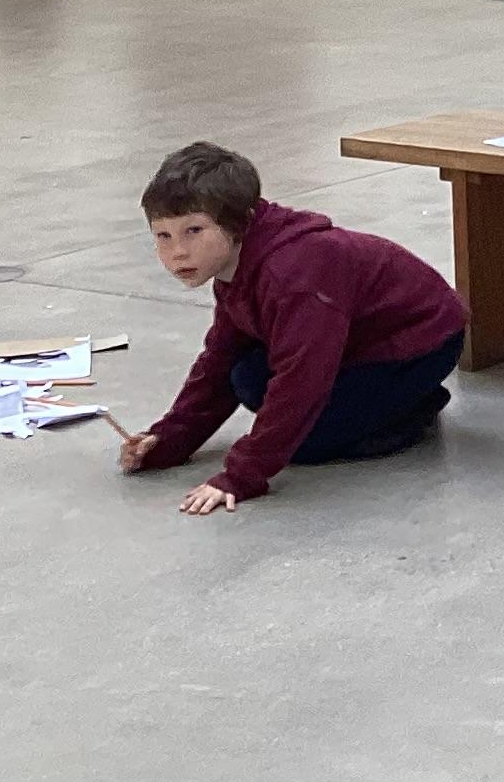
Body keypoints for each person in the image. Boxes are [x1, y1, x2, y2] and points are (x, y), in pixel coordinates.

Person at [118, 143, 468, 513]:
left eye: (193, 230)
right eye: (163, 236)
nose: (178, 252)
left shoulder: (292, 275)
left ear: (239, 222)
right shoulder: (233, 263)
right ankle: (383, 403)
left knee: (304, 445)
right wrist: (169, 440)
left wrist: (243, 474)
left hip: (420, 342)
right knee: (247, 378)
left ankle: (414, 407)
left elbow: (303, 377)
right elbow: (220, 359)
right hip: (350, 341)